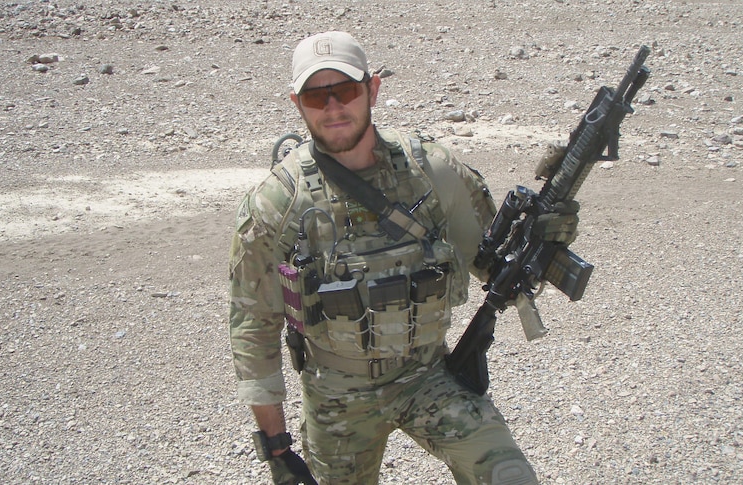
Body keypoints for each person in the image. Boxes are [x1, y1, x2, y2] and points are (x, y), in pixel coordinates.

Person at [229, 31, 577, 484]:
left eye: (346, 91)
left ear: (372, 89)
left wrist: (551, 228)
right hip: (336, 393)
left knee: (507, 474)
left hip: (425, 376)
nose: (333, 107)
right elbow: (253, 324)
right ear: (297, 103)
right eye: (317, 96)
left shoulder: (432, 172)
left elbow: (496, 268)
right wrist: (275, 446)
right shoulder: (277, 203)